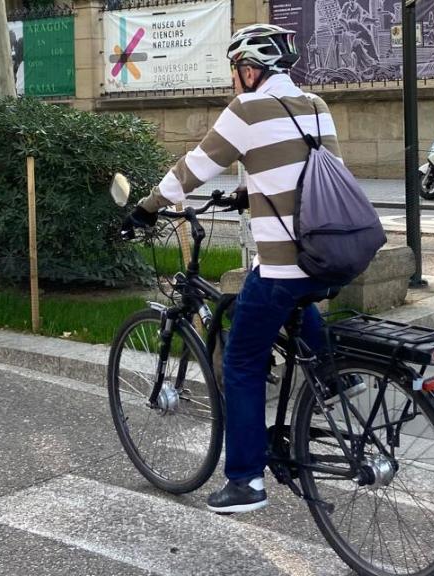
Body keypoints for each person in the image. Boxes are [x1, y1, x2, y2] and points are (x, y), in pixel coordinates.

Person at [124, 24, 364, 514]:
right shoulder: (316, 106)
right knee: (288, 300)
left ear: (250, 69)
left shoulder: (248, 109)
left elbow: (195, 166)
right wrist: (248, 192)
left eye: (237, 69)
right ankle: (337, 377)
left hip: (284, 265)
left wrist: (148, 207)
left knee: (241, 360)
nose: (235, 79)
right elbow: (316, 172)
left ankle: (246, 482)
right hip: (329, 254)